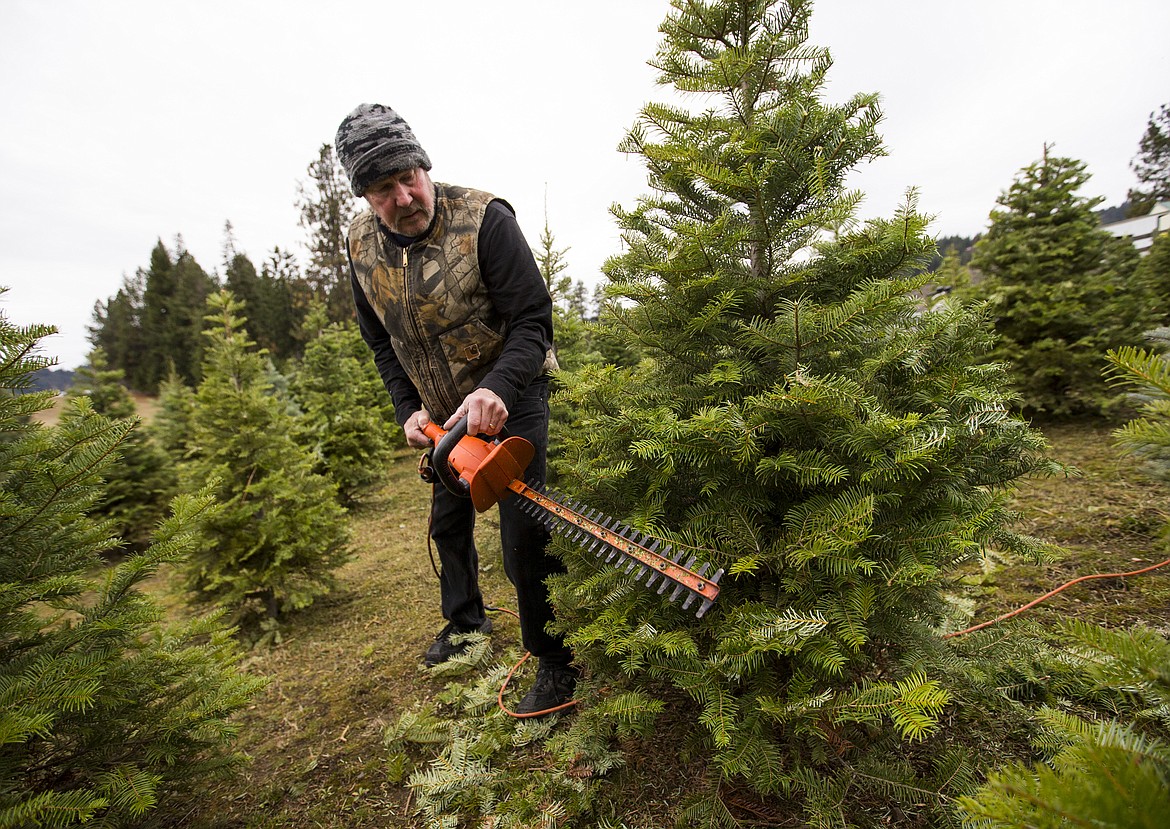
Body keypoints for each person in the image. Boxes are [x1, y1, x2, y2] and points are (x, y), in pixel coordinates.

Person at [335, 103, 576, 715]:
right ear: (365, 196)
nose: (405, 196)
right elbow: (379, 340)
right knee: (449, 522)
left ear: (424, 165)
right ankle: (466, 623)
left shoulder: (485, 220)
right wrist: (407, 408)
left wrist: (496, 387)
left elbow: (533, 321)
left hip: (510, 395)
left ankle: (553, 659)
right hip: (441, 415)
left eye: (410, 177)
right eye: (385, 189)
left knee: (522, 536)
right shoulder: (360, 245)